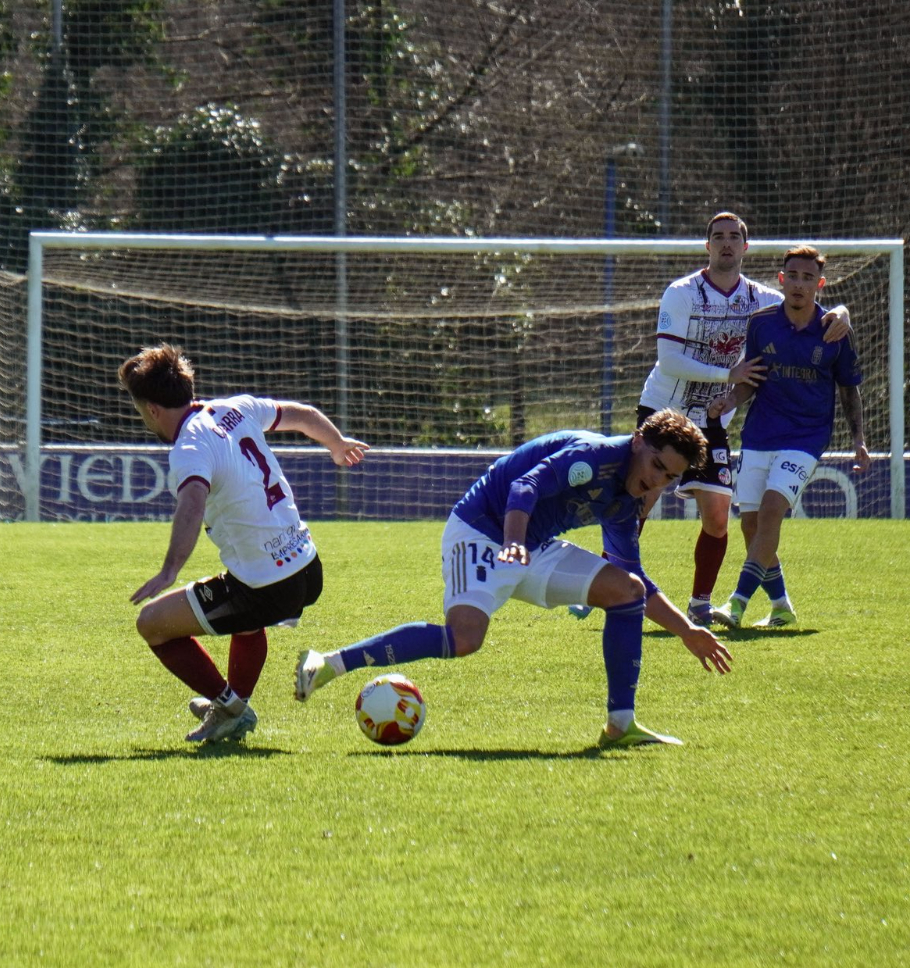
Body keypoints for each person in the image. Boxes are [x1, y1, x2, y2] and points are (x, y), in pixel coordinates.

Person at [294, 409, 733, 747]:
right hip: (483, 530)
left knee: (626, 590)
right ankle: (329, 663)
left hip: (531, 545)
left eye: (669, 477)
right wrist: (514, 542)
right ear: (637, 441)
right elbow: (525, 486)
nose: (656, 482)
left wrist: (687, 631)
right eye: (656, 465)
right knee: (465, 639)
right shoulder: (592, 456)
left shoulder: (627, 501)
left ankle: (621, 725)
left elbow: (633, 572)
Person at [121, 343, 368, 743]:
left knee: (152, 624)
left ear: (151, 409)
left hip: (267, 585)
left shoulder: (189, 447)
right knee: (246, 618)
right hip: (308, 567)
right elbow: (303, 415)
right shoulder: (236, 407)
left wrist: (169, 570)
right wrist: (336, 443)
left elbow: (192, 504)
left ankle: (229, 707)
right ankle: (234, 707)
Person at [634, 212, 853, 627]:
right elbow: (669, 360)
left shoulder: (761, 299)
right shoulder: (681, 293)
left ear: (745, 248)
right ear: (708, 246)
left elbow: (807, 304)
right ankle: (608, 587)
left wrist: (842, 312)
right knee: (641, 501)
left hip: (711, 419)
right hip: (664, 409)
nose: (726, 243)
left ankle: (700, 604)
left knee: (719, 516)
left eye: (734, 236)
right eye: (718, 236)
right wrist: (727, 375)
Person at [706, 246, 871, 628]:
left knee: (770, 512)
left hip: (806, 437)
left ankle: (736, 603)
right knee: (750, 526)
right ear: (781, 280)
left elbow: (849, 389)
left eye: (807, 278)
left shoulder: (836, 330)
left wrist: (858, 438)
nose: (799, 284)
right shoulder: (761, 324)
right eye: (793, 276)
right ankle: (781, 606)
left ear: (820, 284)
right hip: (760, 433)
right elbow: (752, 379)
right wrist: (730, 399)